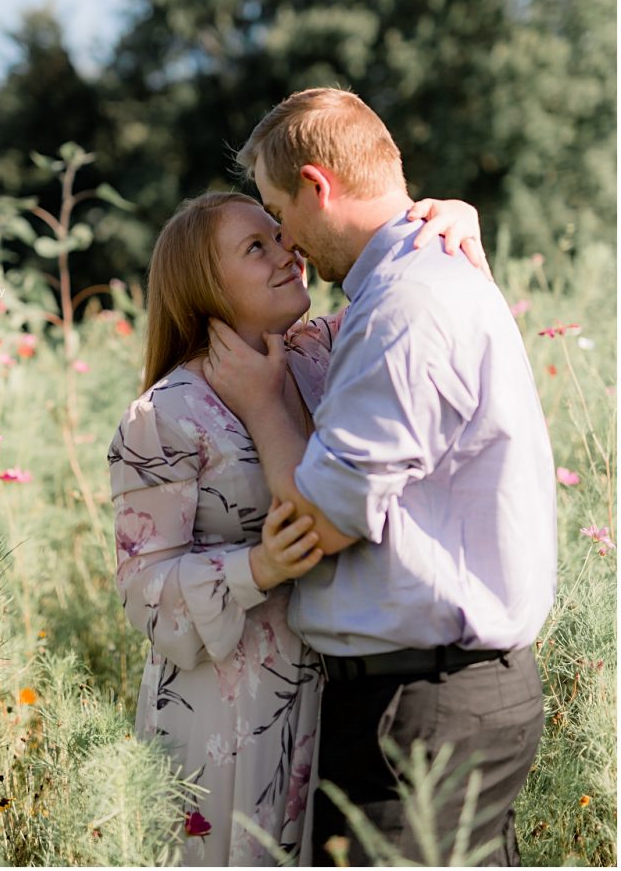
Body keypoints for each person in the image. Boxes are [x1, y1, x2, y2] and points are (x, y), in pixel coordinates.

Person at [202, 87, 553, 866]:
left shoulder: (407, 305)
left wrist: (264, 405)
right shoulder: (425, 278)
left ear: (318, 187)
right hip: (443, 697)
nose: (285, 237)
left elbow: (321, 523)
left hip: (422, 708)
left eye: (276, 208)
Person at [108, 190, 484, 865]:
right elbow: (142, 587)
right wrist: (256, 568)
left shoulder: (329, 352)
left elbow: (421, 305)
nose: (290, 252)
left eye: (281, 235)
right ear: (205, 284)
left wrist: (456, 220)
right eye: (258, 247)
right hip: (227, 717)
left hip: (334, 694)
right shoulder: (164, 414)